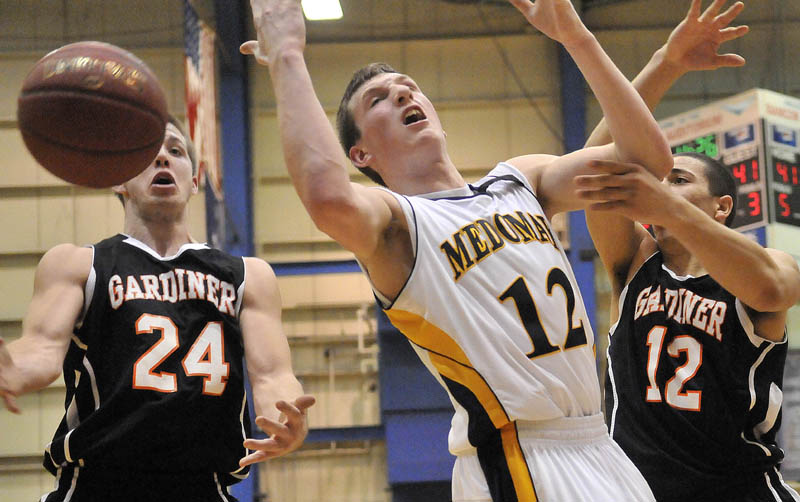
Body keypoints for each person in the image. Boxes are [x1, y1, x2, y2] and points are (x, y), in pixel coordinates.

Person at [241, 1, 675, 500]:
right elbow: (327, 199)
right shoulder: (397, 225)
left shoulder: (520, 179)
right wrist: (288, 54)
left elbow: (648, 159)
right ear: (361, 155)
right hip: (517, 456)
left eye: (407, 85)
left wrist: (576, 37)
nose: (402, 91)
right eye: (379, 99)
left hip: (599, 444)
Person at [0, 116, 314, 501]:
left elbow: (272, 377)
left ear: (194, 179)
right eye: (147, 152)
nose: (163, 158)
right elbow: (41, 350)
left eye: (175, 150)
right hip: (98, 483)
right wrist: (9, 370)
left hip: (204, 484)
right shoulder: (77, 265)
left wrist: (288, 420)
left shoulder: (249, 276)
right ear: (119, 178)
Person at [579, 1, 800, 500]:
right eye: (660, 182)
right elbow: (595, 169)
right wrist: (667, 63)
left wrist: (669, 207)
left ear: (722, 208)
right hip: (637, 489)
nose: (662, 188)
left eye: (678, 180)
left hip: (740, 489)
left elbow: (773, 287)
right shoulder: (635, 262)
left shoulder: (762, 264)